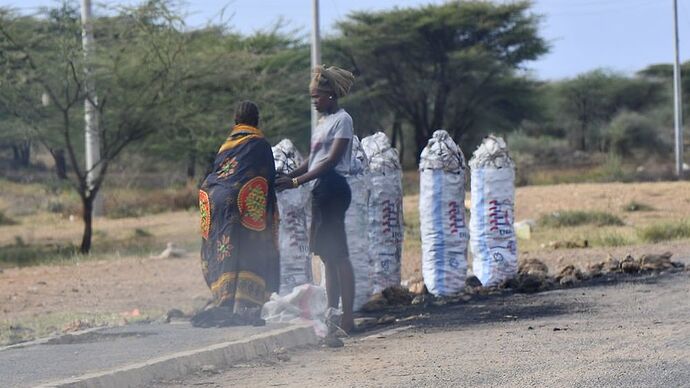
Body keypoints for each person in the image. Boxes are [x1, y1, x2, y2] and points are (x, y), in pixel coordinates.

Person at [276, 65, 356, 333]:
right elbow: (313, 159)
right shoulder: (323, 124)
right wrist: (287, 177)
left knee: (340, 255)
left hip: (334, 187)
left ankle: (347, 319)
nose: (314, 102)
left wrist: (297, 181)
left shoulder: (343, 120)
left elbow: (331, 161)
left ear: (331, 95)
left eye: (318, 96)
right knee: (327, 256)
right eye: (312, 97)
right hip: (321, 189)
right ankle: (333, 315)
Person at [197, 101, 280, 325]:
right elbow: (268, 177)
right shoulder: (260, 143)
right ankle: (244, 301)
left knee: (225, 247)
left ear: (235, 121)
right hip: (240, 199)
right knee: (247, 245)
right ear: (257, 121)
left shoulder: (225, 145)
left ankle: (224, 298)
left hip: (214, 199)